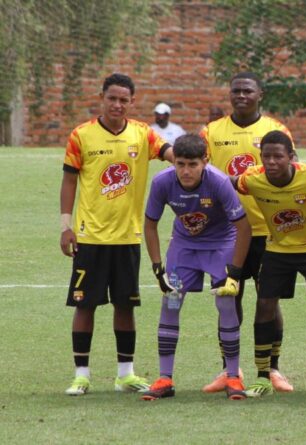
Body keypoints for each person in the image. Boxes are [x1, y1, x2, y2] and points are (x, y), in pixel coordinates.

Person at [60, 73, 173, 396]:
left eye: (124, 100)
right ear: (102, 98)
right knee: (85, 305)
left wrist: (187, 158)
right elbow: (69, 181)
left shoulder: (142, 134)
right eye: (112, 98)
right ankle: (81, 374)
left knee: (126, 305)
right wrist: (66, 226)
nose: (118, 105)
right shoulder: (81, 135)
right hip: (90, 237)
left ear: (132, 102)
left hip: (127, 238)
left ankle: (126, 374)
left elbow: (168, 152)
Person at [200, 72, 295, 393]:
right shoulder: (211, 132)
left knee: (269, 301)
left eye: (247, 91)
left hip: (269, 231)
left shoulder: (276, 131)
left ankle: (271, 369)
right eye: (235, 90)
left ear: (260, 94)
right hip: (226, 233)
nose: (241, 95)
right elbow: (200, 175)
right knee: (229, 300)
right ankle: (230, 370)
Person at [140, 134, 251, 400]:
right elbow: (150, 225)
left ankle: (233, 377)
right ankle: (165, 378)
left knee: (226, 303)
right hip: (184, 248)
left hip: (220, 245)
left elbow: (244, 227)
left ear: (205, 161)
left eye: (192, 164)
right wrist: (158, 268)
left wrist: (234, 273)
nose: (186, 171)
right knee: (171, 301)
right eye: (180, 164)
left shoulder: (220, 182)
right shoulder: (162, 183)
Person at [234, 130, 306, 398]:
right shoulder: (252, 179)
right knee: (264, 305)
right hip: (276, 250)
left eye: (278, 156)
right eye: (266, 156)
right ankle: (262, 376)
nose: (272, 162)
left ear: (291, 157)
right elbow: (227, 183)